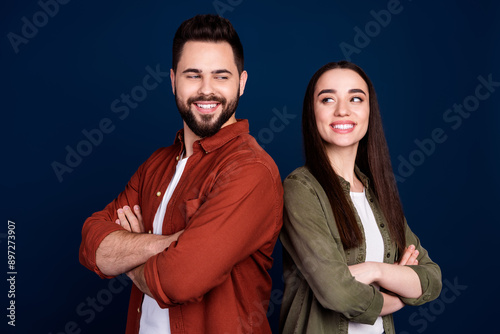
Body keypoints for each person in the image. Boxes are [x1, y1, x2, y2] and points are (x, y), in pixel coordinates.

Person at [79, 14, 283, 334]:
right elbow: (93, 244)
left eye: (221, 76)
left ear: (241, 83)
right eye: (193, 75)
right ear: (173, 80)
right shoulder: (156, 164)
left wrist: (129, 259)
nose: (206, 90)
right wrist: (170, 245)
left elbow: (179, 280)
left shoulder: (251, 171)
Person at [279, 61, 442, 334]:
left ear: (369, 111)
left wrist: (375, 270)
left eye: (356, 98)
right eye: (328, 99)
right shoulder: (300, 189)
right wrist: (398, 293)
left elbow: (432, 279)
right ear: (312, 112)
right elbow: (337, 293)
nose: (342, 110)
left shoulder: (378, 194)